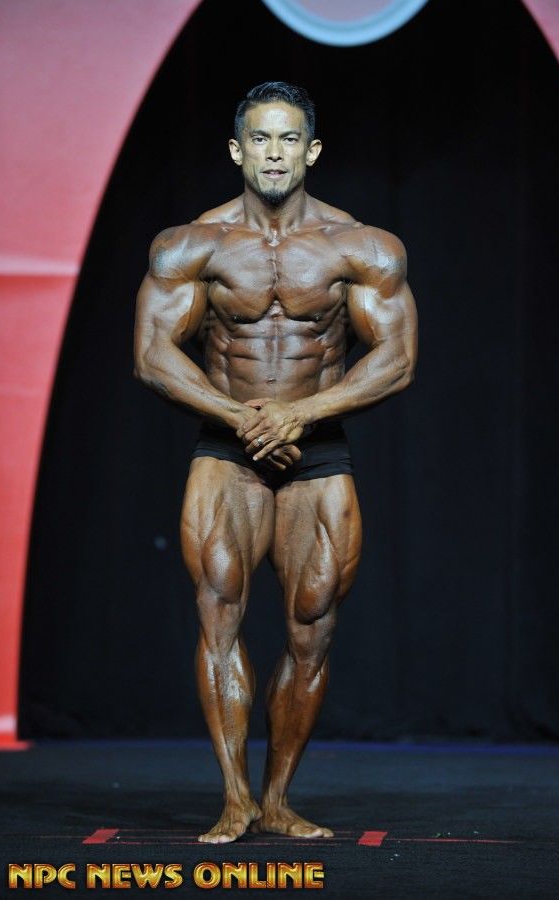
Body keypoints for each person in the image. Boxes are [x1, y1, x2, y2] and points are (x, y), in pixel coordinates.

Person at [133, 81, 418, 844]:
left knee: (311, 627)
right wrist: (243, 418)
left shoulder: (361, 246)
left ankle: (279, 798)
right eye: (259, 138)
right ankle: (234, 797)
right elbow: (153, 355)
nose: (274, 153)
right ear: (237, 150)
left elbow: (396, 359)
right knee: (219, 610)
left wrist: (301, 414)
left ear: (311, 151)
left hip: (317, 449)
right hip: (225, 451)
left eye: (289, 139)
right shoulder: (192, 244)